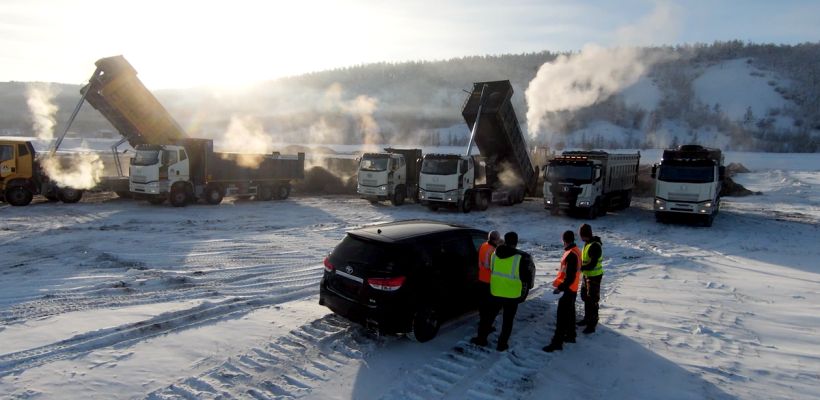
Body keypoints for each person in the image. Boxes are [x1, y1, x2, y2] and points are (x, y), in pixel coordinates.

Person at [471, 231, 535, 352]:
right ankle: (502, 344)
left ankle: (481, 338)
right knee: (507, 321)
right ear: (516, 243)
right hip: (512, 295)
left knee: (489, 317)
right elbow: (526, 278)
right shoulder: (520, 258)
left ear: (504, 241)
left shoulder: (495, 254)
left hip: (496, 292)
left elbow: (493, 269)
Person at [543, 230, 582, 353]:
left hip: (568, 289)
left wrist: (560, 288)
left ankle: (557, 343)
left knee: (562, 317)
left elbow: (569, 276)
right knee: (570, 314)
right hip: (572, 288)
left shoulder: (571, 254)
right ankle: (571, 335)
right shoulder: (576, 251)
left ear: (563, 240)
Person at [577, 223, 603, 334]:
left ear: (584, 235)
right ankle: (587, 318)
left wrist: (580, 268)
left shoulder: (595, 246)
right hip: (587, 275)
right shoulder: (588, 243)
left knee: (592, 300)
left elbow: (592, 264)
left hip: (594, 277)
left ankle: (592, 324)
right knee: (585, 297)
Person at [476, 230, 502, 331]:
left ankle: (482, 322)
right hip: (489, 281)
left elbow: (481, 262)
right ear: (496, 239)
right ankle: (486, 326)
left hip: (481, 278)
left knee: (482, 305)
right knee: (489, 306)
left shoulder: (483, 245)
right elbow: (489, 266)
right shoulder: (492, 250)